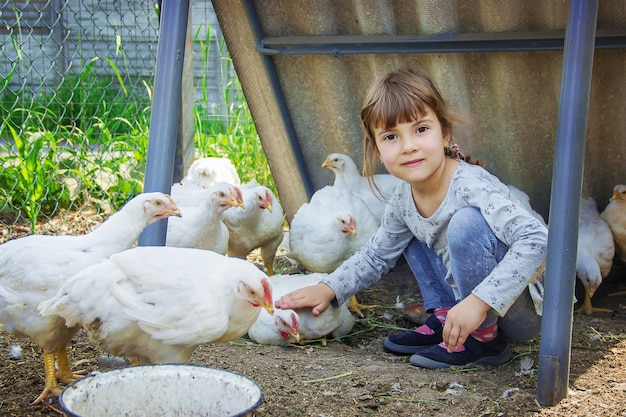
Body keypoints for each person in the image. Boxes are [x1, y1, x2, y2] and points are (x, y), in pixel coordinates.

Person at [276, 67, 547, 369]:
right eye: (391, 136)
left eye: (420, 129)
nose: (408, 146)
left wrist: (478, 302)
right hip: (465, 306)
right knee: (407, 226)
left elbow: (537, 241)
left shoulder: (472, 185)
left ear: (445, 133)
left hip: (517, 310)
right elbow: (376, 254)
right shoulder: (405, 197)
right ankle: (446, 317)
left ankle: (484, 341)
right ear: (376, 149)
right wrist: (329, 288)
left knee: (466, 224)